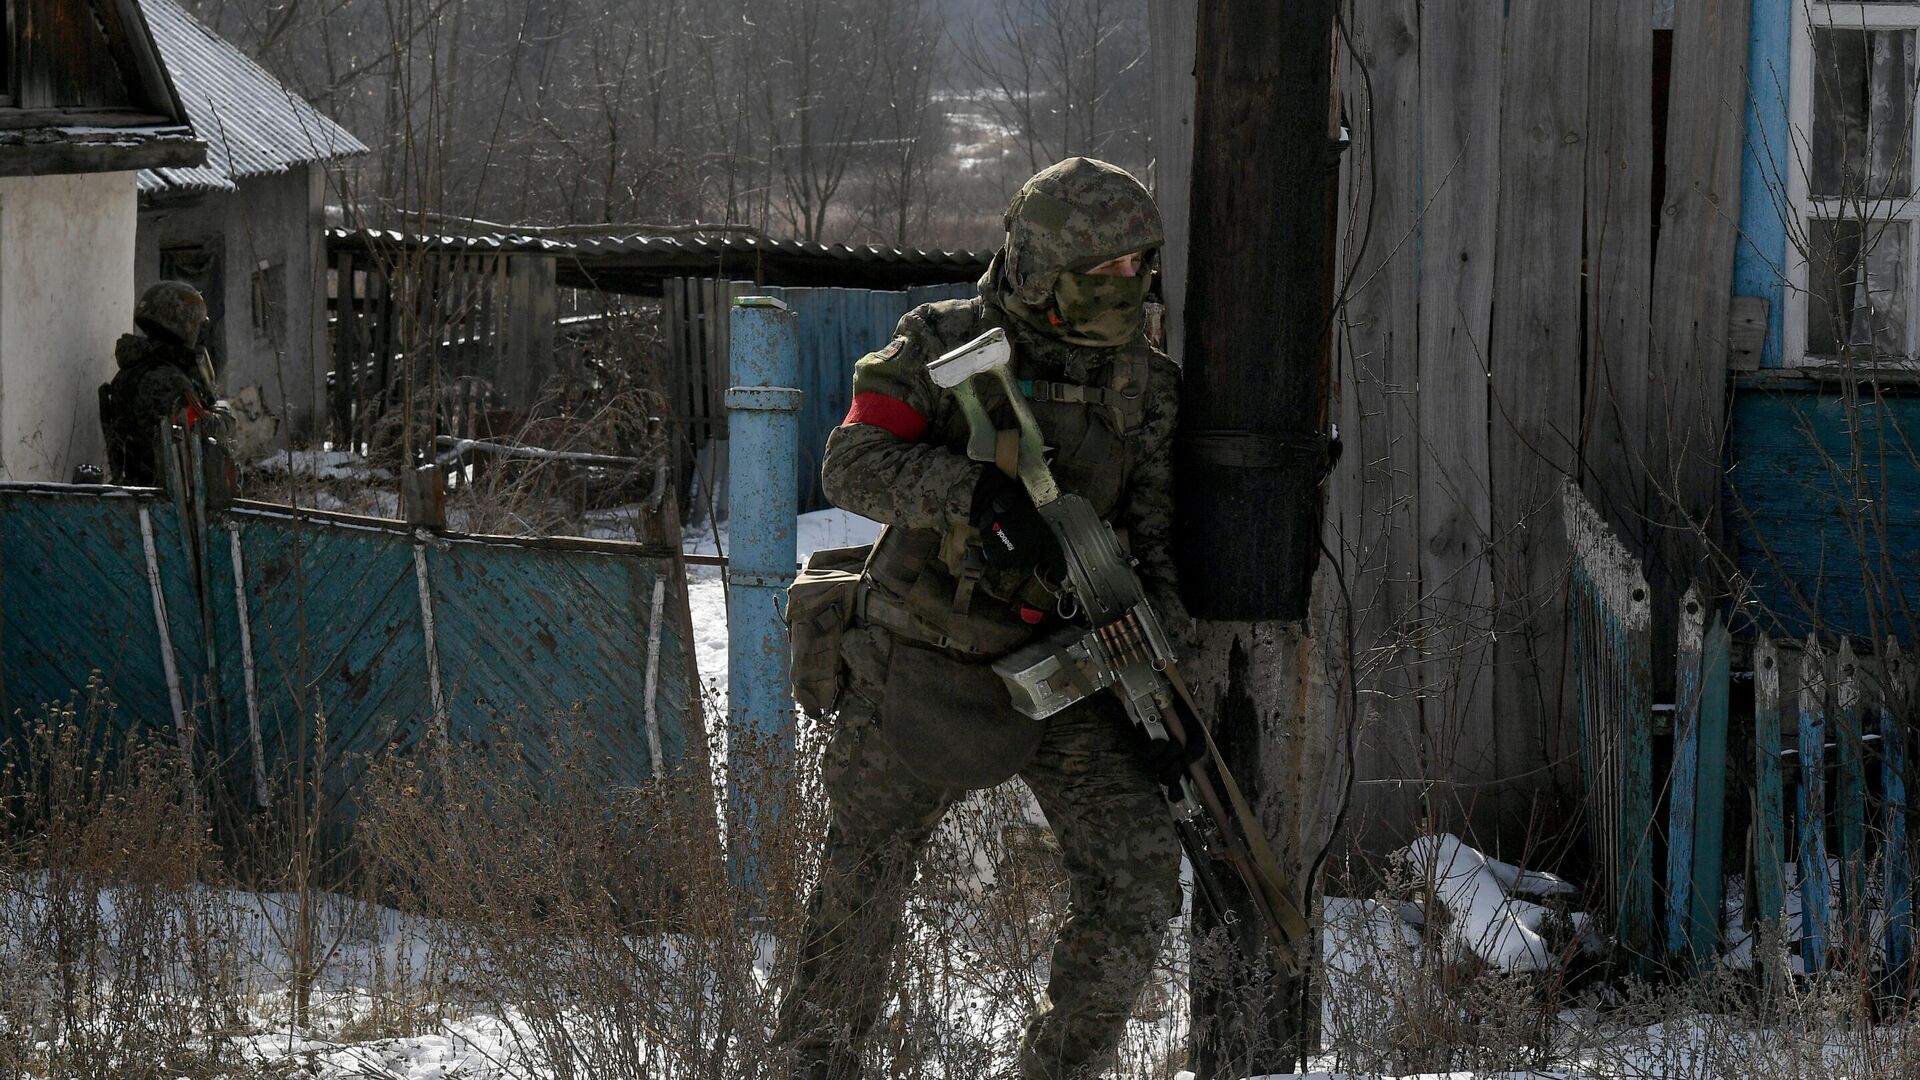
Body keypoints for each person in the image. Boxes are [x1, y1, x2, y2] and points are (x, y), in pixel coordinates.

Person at [777, 157, 1188, 1080]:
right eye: (1103, 270)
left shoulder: (1145, 388)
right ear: (1042, 267)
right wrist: (972, 495)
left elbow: (1154, 553)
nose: (1128, 284)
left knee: (1138, 882)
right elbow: (850, 463)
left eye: (1138, 266)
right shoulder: (943, 341)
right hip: (918, 656)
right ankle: (813, 1064)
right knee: (859, 895)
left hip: (1062, 676)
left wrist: (1168, 699)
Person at [101, 280, 220, 485]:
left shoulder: (132, 370)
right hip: (165, 496)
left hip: (140, 488)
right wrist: (224, 414)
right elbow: (202, 430)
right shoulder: (168, 380)